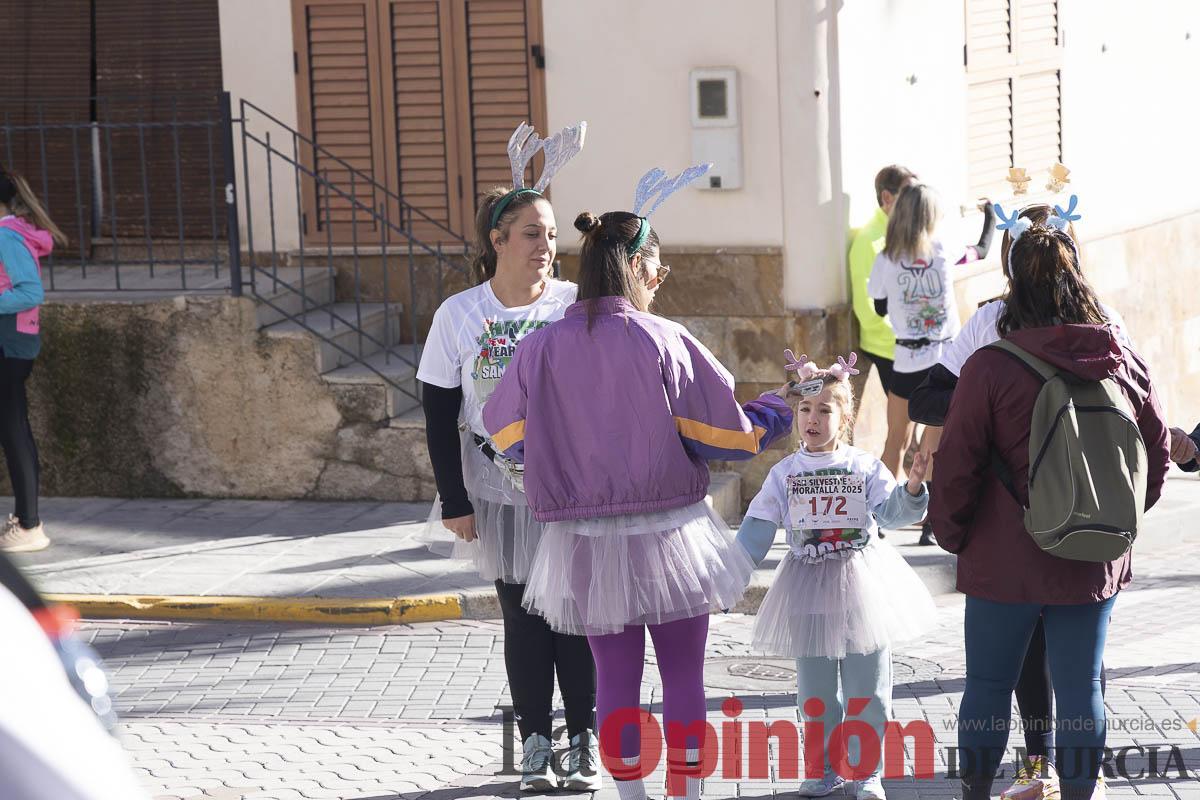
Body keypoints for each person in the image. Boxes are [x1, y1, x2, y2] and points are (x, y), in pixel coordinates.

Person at [483, 197, 794, 800]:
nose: (661, 279)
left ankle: (630, 795)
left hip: (583, 543)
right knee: (683, 676)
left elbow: (506, 436)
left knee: (614, 680)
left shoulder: (540, 347)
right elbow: (727, 436)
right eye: (659, 267)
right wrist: (778, 409)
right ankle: (688, 793)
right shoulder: (664, 338)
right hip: (673, 533)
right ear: (639, 268)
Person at [930, 217, 1169, 800]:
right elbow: (1155, 452)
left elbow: (956, 465)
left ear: (1013, 286)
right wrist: (1118, 520)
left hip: (1002, 561)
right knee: (1083, 688)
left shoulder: (989, 366)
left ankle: (977, 793)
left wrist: (953, 534)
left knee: (987, 686)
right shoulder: (1119, 358)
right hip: (1092, 558)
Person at [416, 123, 598, 793]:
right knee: (523, 617)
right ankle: (534, 751)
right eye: (532, 234)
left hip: (573, 489)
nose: (547, 247)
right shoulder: (459, 316)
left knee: (575, 617)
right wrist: (456, 501)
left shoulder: (576, 306)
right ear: (497, 241)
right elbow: (439, 414)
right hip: (497, 492)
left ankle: (582, 746)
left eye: (552, 235)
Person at [735, 354, 935, 800]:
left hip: (863, 584)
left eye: (825, 410)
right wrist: (728, 573)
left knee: (869, 685)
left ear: (844, 418)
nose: (813, 417)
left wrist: (914, 489)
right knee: (816, 690)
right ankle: (823, 768)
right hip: (806, 587)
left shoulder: (862, 467)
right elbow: (757, 529)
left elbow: (891, 512)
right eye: (805, 409)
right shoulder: (784, 473)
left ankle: (867, 772)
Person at [866, 184, 994, 545]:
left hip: (906, 358)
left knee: (896, 439)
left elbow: (878, 306)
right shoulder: (942, 250)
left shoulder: (885, 258)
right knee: (932, 443)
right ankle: (931, 524)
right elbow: (981, 250)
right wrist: (991, 214)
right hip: (945, 361)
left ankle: (879, 518)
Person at [0, 167, 65, 554]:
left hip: (7, 344)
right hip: (13, 342)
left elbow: (30, 292)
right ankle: (27, 521)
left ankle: (28, 526)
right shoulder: (10, 233)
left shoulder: (6, 236)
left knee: (13, 431)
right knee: (13, 429)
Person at [848, 165, 916, 483]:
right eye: (909, 194)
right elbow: (868, 311)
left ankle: (910, 497)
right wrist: (909, 337)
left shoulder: (909, 232)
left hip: (915, 347)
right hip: (891, 349)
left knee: (914, 430)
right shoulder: (869, 241)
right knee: (900, 434)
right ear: (887, 198)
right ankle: (890, 502)